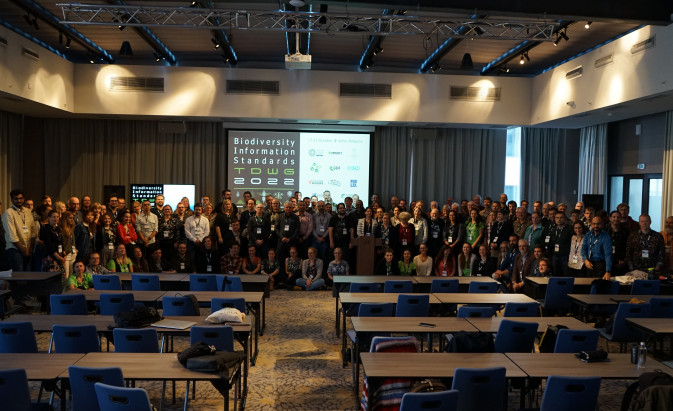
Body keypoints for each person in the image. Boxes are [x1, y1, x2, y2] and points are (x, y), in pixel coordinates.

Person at [2, 189, 37, 271]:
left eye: (21, 198)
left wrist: (31, 247)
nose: (19, 201)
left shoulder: (27, 211)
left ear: (24, 199)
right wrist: (24, 250)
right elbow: (12, 235)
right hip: (15, 249)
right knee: (18, 274)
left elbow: (33, 230)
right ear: (12, 200)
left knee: (28, 274)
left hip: (28, 248)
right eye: (16, 199)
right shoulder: (8, 213)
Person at [606, 210, 629, 277]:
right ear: (610, 218)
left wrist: (624, 260)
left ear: (621, 218)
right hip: (606, 262)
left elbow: (628, 247)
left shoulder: (626, 231)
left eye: (618, 217)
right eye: (614, 217)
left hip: (621, 262)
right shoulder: (605, 231)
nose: (616, 219)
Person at [60, 211, 78, 278]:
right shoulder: (61, 229)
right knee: (65, 275)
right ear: (65, 219)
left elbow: (72, 241)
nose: (72, 220)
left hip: (72, 253)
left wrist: (75, 248)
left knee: (71, 275)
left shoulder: (71, 228)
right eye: (70, 218)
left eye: (72, 218)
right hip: (65, 254)